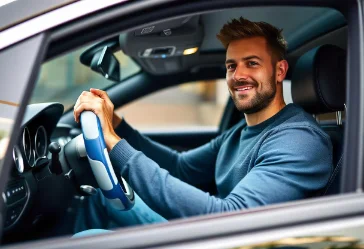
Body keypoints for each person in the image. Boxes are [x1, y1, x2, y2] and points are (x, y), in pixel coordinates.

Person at [72, 17, 333, 234]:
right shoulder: (240, 132)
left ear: (279, 71)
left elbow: (229, 218)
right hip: (210, 231)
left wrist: (113, 143)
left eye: (252, 63)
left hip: (226, 237)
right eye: (232, 66)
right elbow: (181, 167)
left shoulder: (300, 141)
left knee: (90, 238)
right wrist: (116, 126)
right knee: (100, 199)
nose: (238, 75)